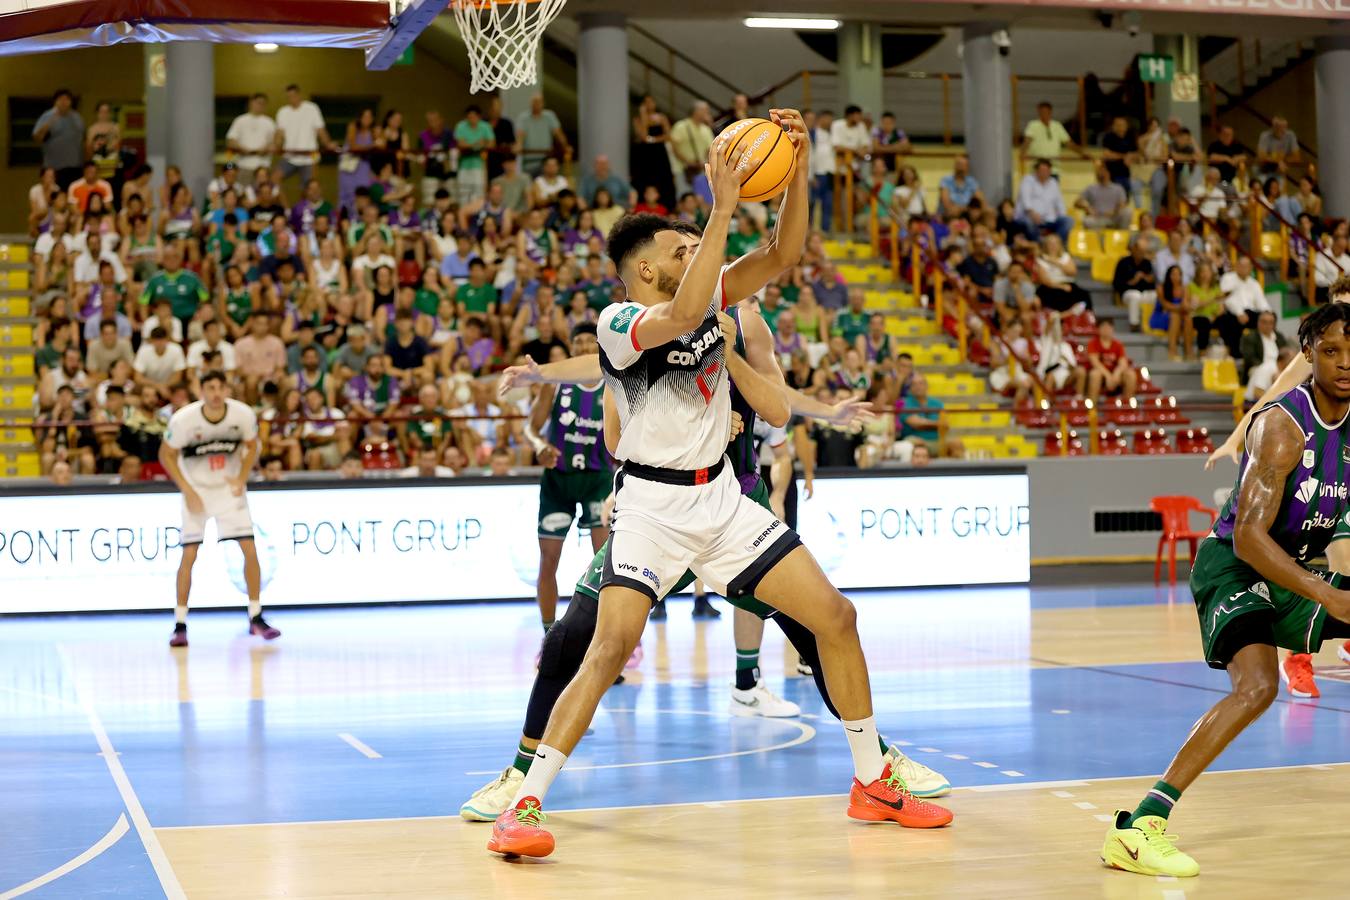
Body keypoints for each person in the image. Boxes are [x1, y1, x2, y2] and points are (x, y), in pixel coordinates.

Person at [486, 111, 952, 859]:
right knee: (607, 648)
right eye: (680, 249)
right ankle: (524, 804)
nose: (695, 252)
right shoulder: (618, 322)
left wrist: (795, 166)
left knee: (835, 618)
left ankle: (872, 780)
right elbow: (679, 315)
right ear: (645, 269)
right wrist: (723, 207)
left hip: (724, 502)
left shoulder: (713, 295)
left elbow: (784, 253)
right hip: (650, 509)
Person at [1103, 302, 1350, 877]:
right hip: (1234, 566)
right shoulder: (1282, 428)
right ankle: (1139, 826)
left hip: (1293, 565)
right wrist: (1327, 593)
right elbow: (1248, 538)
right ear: (1308, 355)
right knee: (1258, 686)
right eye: (1331, 351)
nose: (1344, 363)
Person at [160, 370, 281, 647]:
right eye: (210, 388)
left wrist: (242, 477)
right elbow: (166, 454)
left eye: (220, 388)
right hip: (197, 490)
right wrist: (186, 489)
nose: (216, 393)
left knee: (249, 548)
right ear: (201, 391)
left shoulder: (242, 415)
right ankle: (180, 624)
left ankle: (256, 615)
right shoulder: (183, 420)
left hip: (228, 489)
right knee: (189, 554)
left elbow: (253, 445)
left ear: (227, 390)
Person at [524, 322, 612, 634]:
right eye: (579, 342)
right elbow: (530, 428)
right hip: (558, 481)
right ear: (571, 347)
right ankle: (549, 636)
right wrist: (539, 446)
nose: (584, 346)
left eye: (590, 341)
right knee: (548, 561)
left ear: (599, 345)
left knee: (604, 563)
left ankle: (606, 636)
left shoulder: (612, 384)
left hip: (597, 479)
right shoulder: (555, 383)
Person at [273, 84, 333, 185]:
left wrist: (328, 143)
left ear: (299, 95)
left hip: (311, 156)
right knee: (274, 179)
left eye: (294, 95)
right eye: (289, 96)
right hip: (290, 155)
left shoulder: (312, 108)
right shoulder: (282, 112)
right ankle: (282, 197)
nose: (292, 98)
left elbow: (320, 129)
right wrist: (276, 145)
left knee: (311, 186)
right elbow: (279, 133)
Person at [32, 88, 85, 189]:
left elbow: (83, 140)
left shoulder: (77, 118)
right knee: (54, 195)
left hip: (75, 166)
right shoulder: (47, 116)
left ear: (71, 102)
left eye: (67, 99)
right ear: (55, 101)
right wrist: (50, 123)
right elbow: (37, 137)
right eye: (60, 99)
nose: (64, 102)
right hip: (53, 168)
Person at [1015, 159, 1072, 241]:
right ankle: (1038, 245)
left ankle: (1057, 244)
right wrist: (1033, 214)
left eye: (1047, 170)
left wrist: (1062, 216)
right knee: (1028, 222)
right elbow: (1025, 201)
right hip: (1029, 217)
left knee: (1068, 221)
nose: (1044, 173)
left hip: (1049, 220)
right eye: (1042, 170)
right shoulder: (1027, 180)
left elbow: (1060, 203)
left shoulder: (1053, 183)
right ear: (1036, 171)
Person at [514, 94, 570, 177]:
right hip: (529, 163)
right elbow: (520, 135)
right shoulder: (523, 118)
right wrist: (519, 145)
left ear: (543, 103)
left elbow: (558, 134)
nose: (536, 104)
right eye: (534, 102)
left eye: (539, 102)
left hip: (546, 162)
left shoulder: (550, 116)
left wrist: (566, 146)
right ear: (530, 103)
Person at [1085, 318, 1137, 404]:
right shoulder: (1093, 343)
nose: (1106, 330)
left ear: (1112, 329)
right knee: (1095, 374)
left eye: (1108, 327)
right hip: (1101, 374)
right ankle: (1092, 408)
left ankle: (1127, 407)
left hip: (1114, 374)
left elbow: (1123, 363)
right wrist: (1108, 376)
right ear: (1098, 329)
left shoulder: (1118, 344)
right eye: (1104, 327)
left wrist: (1116, 374)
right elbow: (1095, 363)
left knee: (1130, 374)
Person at [455, 105, 496, 206]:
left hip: (479, 165)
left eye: (473, 117)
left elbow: (491, 144)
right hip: (464, 165)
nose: (471, 120)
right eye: (469, 117)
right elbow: (461, 144)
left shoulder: (485, 126)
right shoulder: (461, 126)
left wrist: (470, 145)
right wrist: (478, 144)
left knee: (478, 194)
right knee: (463, 194)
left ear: (479, 117)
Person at [226, 93, 276, 175]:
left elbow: (275, 144)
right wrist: (242, 148)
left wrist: (265, 148)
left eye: (263, 103)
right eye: (258, 102)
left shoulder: (270, 122)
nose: (260, 105)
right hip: (243, 165)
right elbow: (230, 140)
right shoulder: (240, 120)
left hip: (263, 167)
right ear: (251, 103)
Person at [1113, 241, 1157, 330]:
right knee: (1135, 295)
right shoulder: (1123, 262)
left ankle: (1152, 323)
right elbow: (1117, 284)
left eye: (1143, 252)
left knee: (1155, 295)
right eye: (1139, 251)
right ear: (1133, 250)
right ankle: (1134, 324)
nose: (1141, 254)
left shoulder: (1147, 263)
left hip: (1144, 293)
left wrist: (1146, 278)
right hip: (1127, 293)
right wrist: (1133, 281)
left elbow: (1152, 283)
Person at [1021, 101, 1079, 169]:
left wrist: (1083, 153)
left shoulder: (1057, 126)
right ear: (1038, 112)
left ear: (1050, 112)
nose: (1044, 114)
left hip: (1054, 167)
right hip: (1037, 167)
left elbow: (1068, 143)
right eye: (1042, 112)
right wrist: (1022, 153)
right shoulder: (1033, 125)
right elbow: (1027, 141)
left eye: (1046, 111)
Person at [1076, 162, 1130, 230]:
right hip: (1097, 218)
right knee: (1087, 221)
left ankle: (1122, 234)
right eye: (1098, 170)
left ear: (1108, 172)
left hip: (1114, 218)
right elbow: (1077, 202)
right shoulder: (1090, 188)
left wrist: (1114, 211)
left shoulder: (1118, 188)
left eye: (1102, 170)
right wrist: (1087, 207)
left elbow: (1123, 204)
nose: (1099, 172)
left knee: (1127, 212)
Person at [937, 153, 983, 221]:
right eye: (959, 164)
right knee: (954, 211)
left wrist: (971, 209)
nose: (961, 168)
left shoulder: (972, 181)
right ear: (955, 166)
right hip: (949, 213)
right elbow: (946, 203)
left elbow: (981, 200)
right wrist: (962, 209)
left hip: (967, 212)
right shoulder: (946, 180)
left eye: (964, 165)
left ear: (967, 167)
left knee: (988, 212)